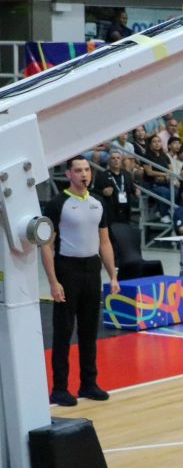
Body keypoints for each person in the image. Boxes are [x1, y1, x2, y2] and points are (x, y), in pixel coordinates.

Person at [42, 157, 120, 406]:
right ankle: (60, 388)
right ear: (68, 174)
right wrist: (53, 281)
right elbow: (47, 245)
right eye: (78, 170)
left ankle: (88, 383)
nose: (84, 174)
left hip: (92, 269)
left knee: (89, 330)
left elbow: (104, 242)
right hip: (68, 269)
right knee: (64, 331)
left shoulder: (98, 203)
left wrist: (113, 275)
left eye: (86, 170)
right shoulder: (57, 204)